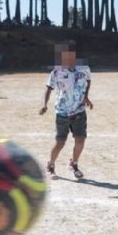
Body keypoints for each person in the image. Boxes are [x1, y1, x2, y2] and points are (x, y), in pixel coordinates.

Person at [39, 40, 93, 179]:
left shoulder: (84, 68)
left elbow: (88, 81)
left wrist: (86, 96)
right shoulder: (57, 71)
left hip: (79, 111)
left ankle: (73, 164)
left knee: (80, 140)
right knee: (60, 142)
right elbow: (48, 88)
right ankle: (51, 165)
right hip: (62, 112)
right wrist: (44, 104)